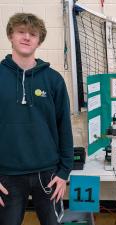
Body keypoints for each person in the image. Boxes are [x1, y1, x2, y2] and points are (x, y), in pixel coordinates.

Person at [0, 12, 74, 225]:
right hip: (7, 175)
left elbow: (64, 127)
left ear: (39, 40)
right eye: (21, 32)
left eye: (32, 34)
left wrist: (64, 171)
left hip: (48, 176)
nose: (26, 37)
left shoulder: (53, 79)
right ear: (11, 36)